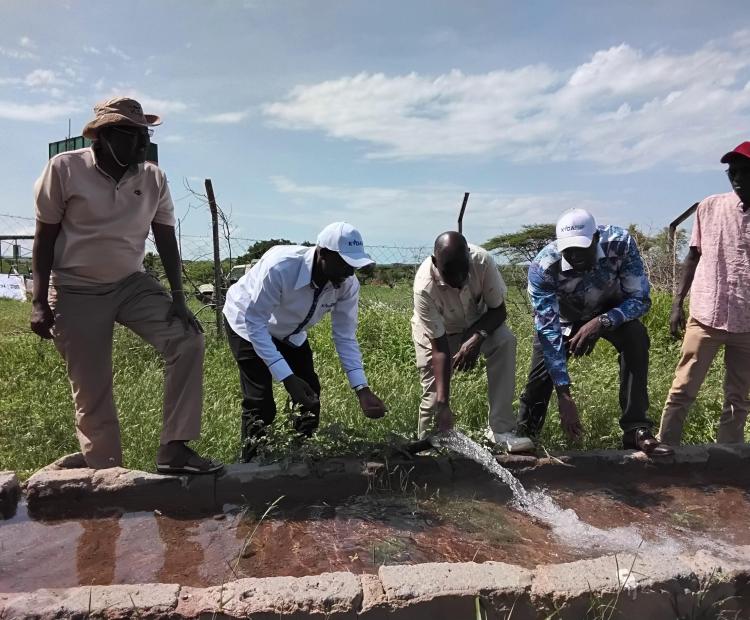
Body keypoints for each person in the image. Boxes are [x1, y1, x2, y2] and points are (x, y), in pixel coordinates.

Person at [31, 96, 221, 474]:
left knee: (186, 338)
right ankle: (107, 475)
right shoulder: (65, 169)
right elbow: (44, 239)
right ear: (102, 137)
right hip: (75, 288)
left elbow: (166, 238)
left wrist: (179, 297)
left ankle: (175, 451)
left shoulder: (152, 176)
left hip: (131, 284)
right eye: (133, 135)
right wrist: (39, 300)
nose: (143, 144)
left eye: (145, 135)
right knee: (92, 387)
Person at [223, 222, 388, 461]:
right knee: (260, 402)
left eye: (354, 266)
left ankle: (299, 457)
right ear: (323, 253)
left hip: (291, 332)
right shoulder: (281, 267)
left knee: (310, 394)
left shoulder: (346, 283)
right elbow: (255, 322)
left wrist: (362, 389)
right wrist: (287, 378)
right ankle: (251, 466)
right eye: (344, 264)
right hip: (247, 324)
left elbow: (344, 335)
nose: (350, 273)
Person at [519, 209, 672, 455]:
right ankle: (526, 438)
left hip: (611, 312)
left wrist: (602, 322)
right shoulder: (543, 267)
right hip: (564, 319)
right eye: (568, 250)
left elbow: (640, 299)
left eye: (581, 248)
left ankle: (636, 429)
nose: (574, 256)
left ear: (596, 239)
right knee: (540, 374)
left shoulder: (620, 245)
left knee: (635, 336)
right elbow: (548, 330)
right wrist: (564, 394)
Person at [658, 142, 750, 446]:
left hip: (747, 324)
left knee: (738, 399)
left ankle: (728, 461)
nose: (736, 177)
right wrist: (676, 303)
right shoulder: (709, 207)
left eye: (743, 171)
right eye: (731, 172)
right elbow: (693, 257)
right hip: (707, 314)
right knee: (683, 389)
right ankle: (665, 452)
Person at [411, 231, 533, 452]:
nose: (458, 282)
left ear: (469, 256)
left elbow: (498, 311)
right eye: (450, 275)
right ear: (435, 262)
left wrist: (477, 338)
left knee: (505, 340)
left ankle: (500, 430)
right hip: (438, 333)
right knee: (433, 387)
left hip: (479, 324)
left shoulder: (482, 261)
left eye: (463, 274)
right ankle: (429, 442)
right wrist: (444, 403)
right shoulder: (423, 287)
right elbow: (440, 350)